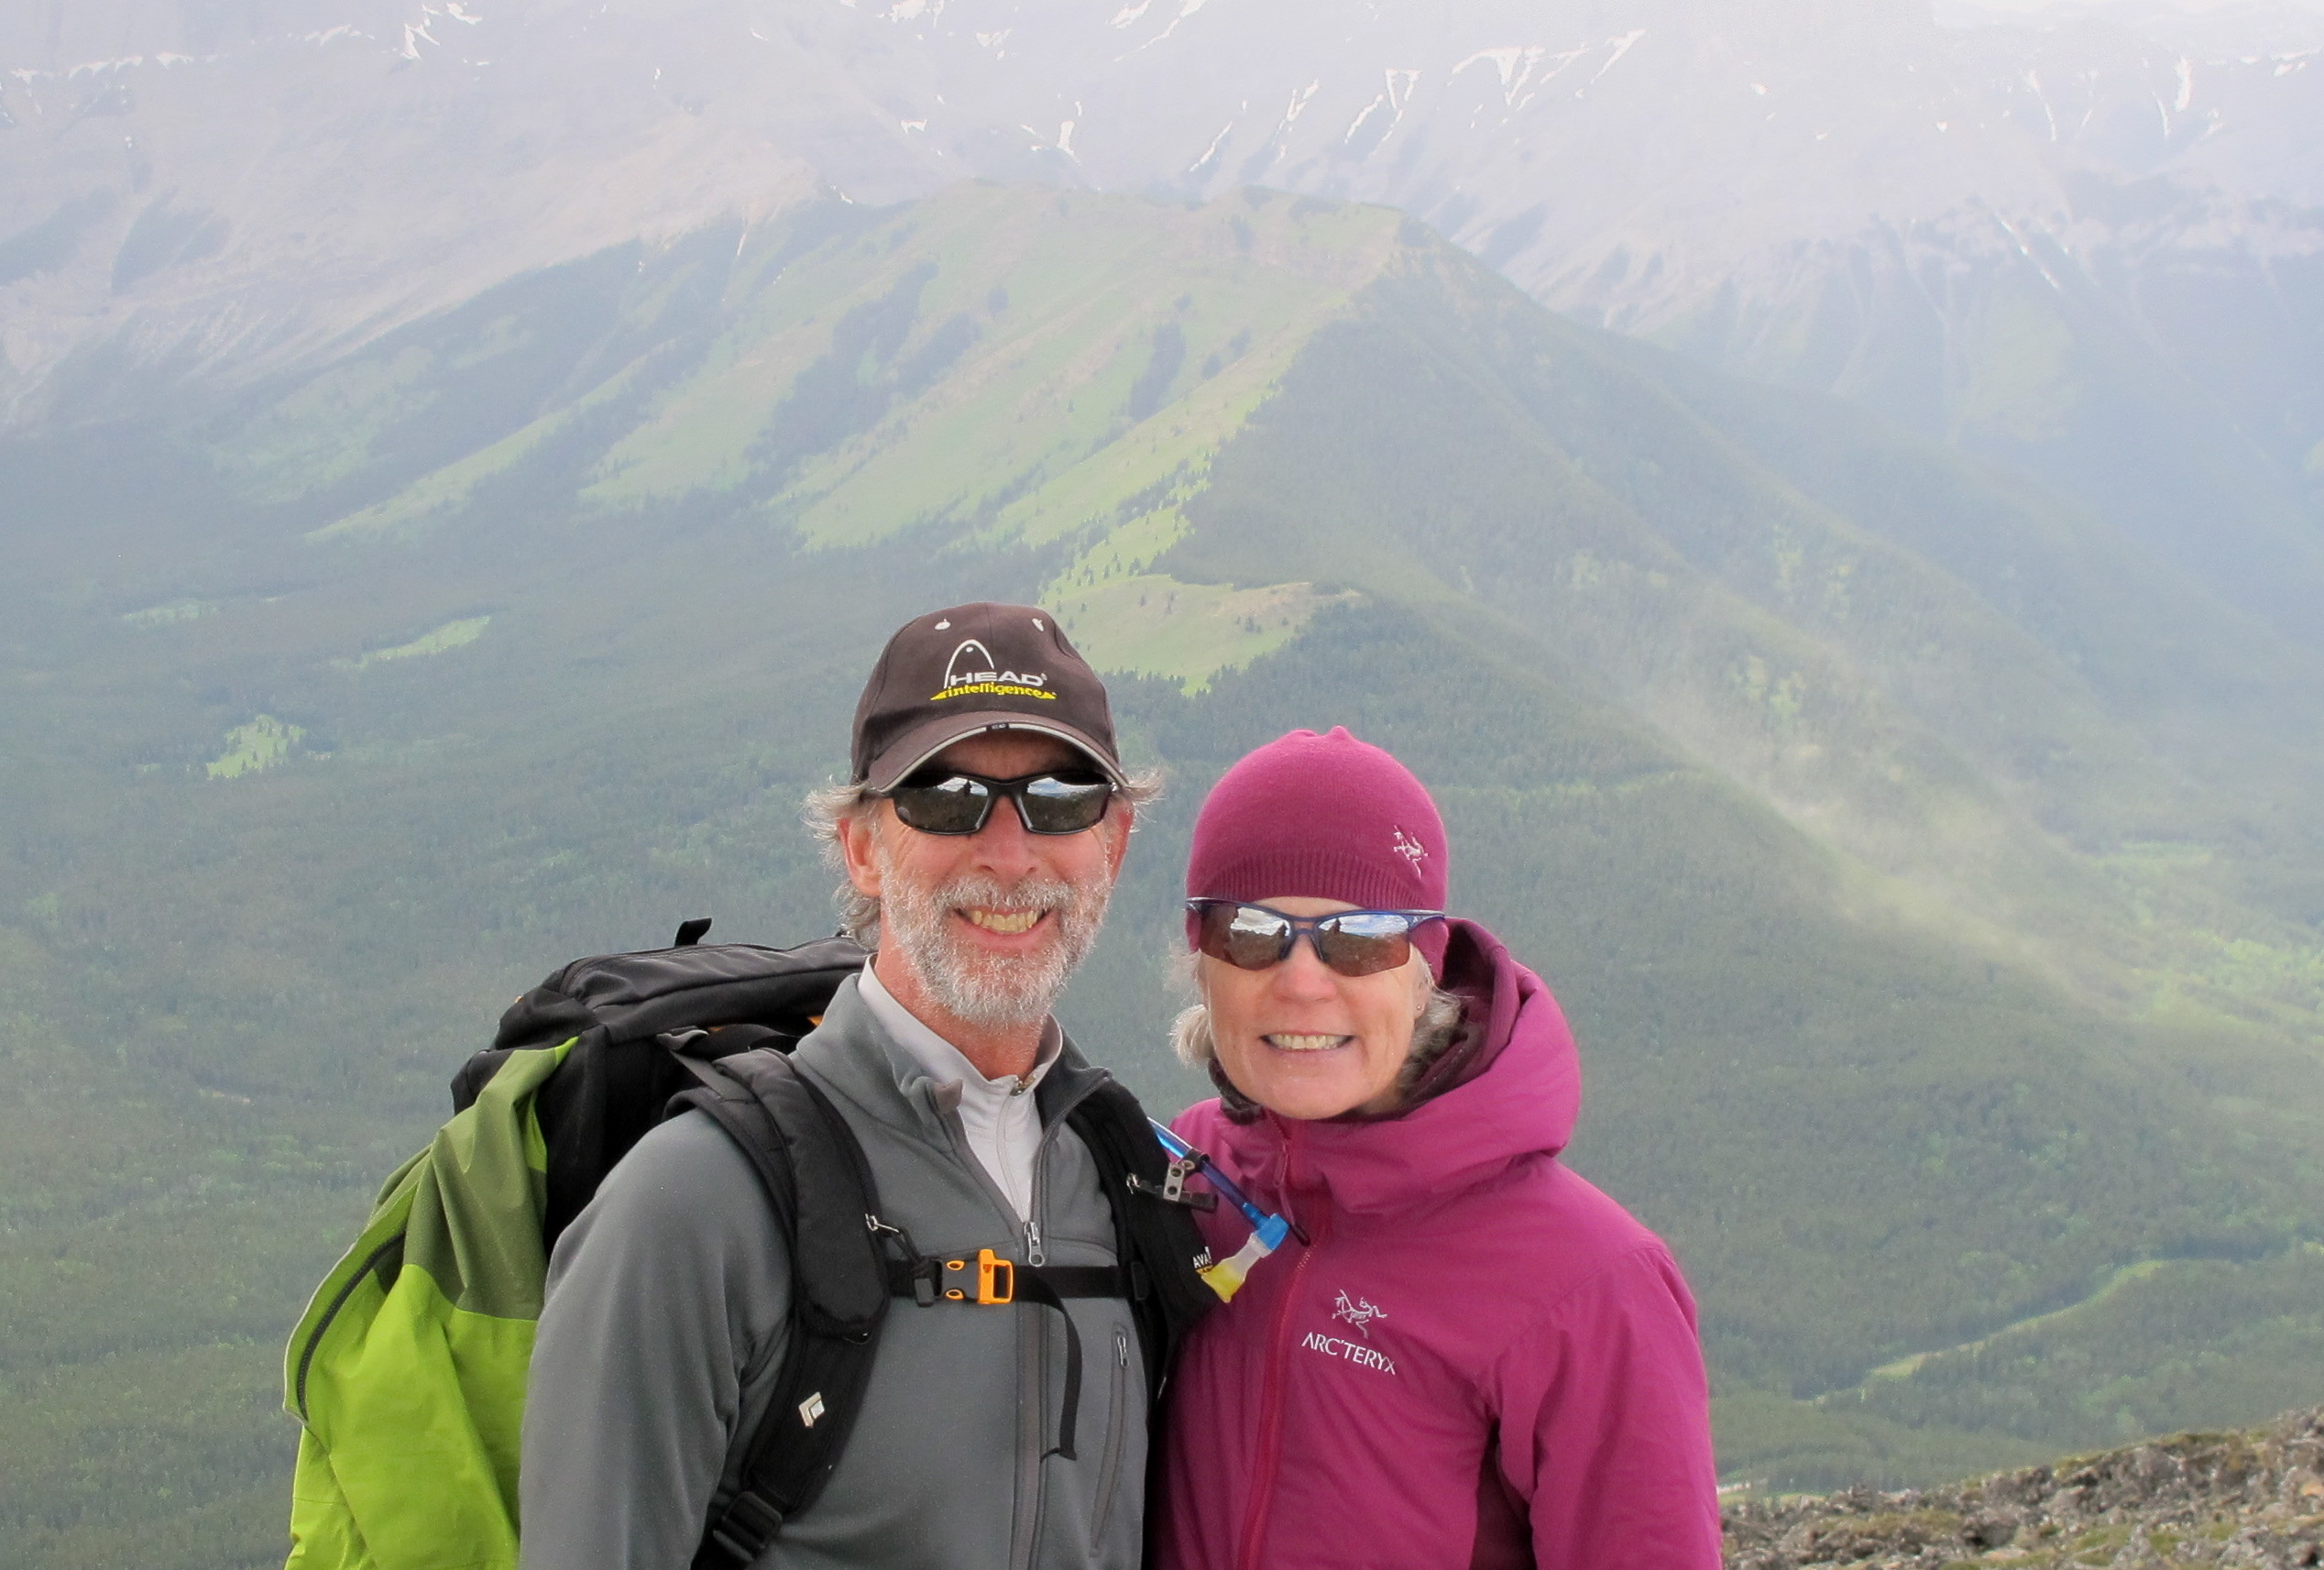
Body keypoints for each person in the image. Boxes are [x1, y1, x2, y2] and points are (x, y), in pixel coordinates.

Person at [519, 602, 1181, 1570]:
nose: (1007, 853)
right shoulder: (696, 1206)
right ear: (864, 848)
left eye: (1060, 798)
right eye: (947, 799)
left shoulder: (1124, 1188)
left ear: (1112, 843)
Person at [1154, 727, 1723, 1570]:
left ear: (1426, 967)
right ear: (1201, 959)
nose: (1304, 980)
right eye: (1250, 930)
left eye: (1360, 937)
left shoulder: (1592, 1282)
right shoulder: (1179, 1174)